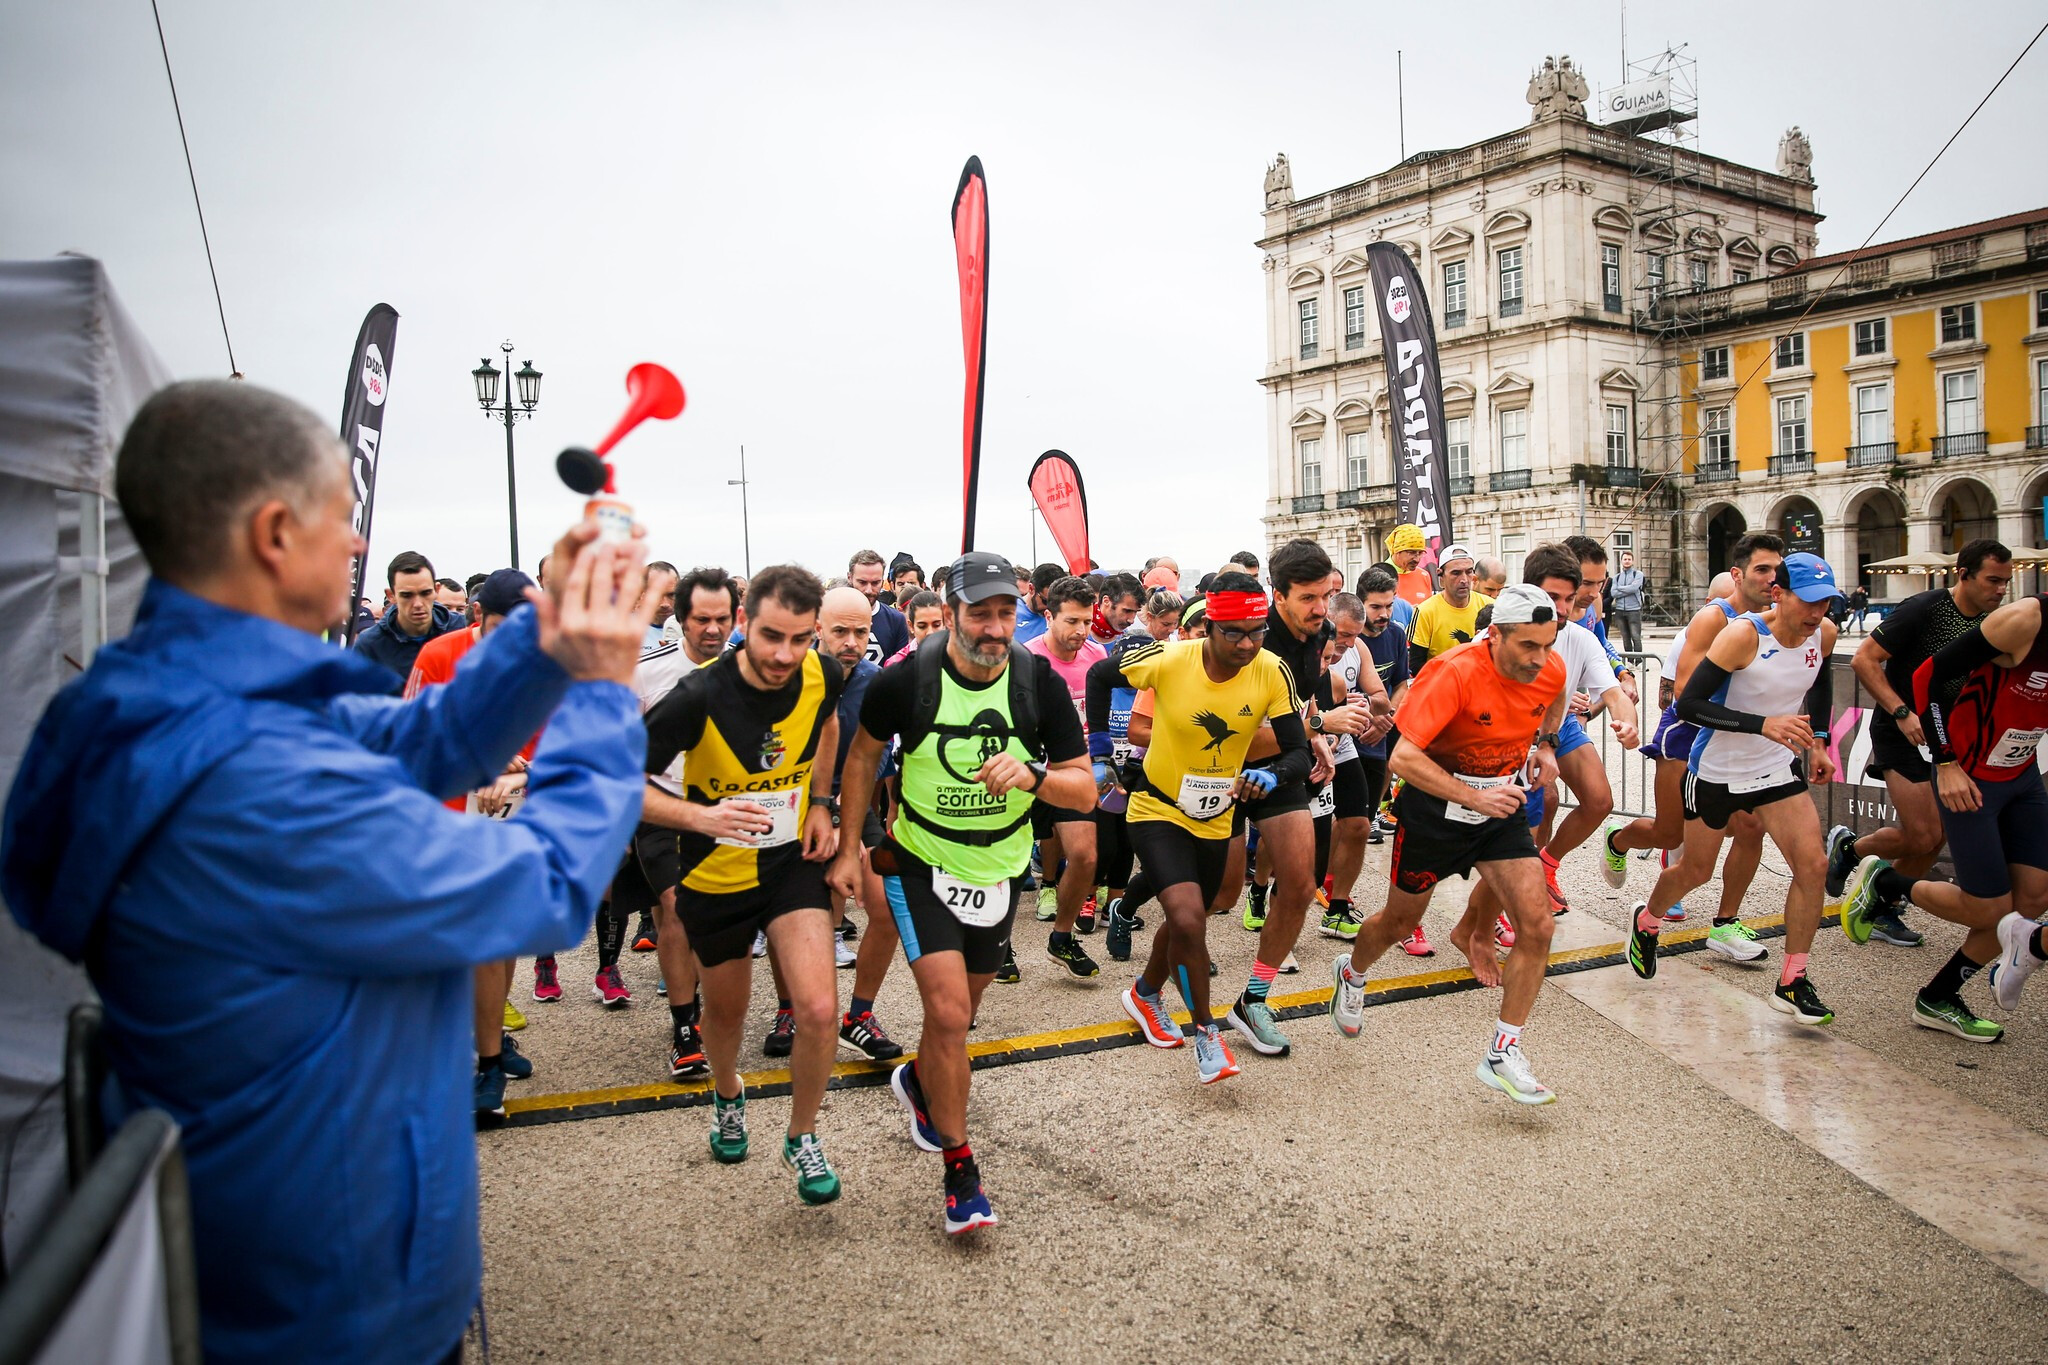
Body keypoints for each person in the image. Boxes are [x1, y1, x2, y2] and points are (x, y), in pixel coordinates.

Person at [2, 379, 653, 1363]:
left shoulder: (177, 701)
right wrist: (603, 697)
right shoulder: (252, 777)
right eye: (343, 522)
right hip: (332, 1303)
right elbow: (545, 884)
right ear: (273, 533)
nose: (358, 546)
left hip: (269, 1241)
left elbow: (436, 740)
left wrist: (550, 626)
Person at [828, 551, 1094, 1235]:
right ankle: (960, 1170)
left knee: (962, 1015)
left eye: (1006, 612)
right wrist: (848, 843)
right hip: (918, 861)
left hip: (999, 870)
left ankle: (920, 1082)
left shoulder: (1037, 683)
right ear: (949, 615)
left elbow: (1084, 788)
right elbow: (862, 755)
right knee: (947, 1015)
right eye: (980, 612)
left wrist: (1033, 773)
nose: (996, 627)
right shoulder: (908, 678)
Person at [640, 565, 847, 1205]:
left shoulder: (824, 673)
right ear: (742, 625)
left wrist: (822, 801)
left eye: (800, 639)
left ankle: (802, 1134)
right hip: (715, 873)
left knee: (817, 1010)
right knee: (724, 1013)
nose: (785, 655)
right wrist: (700, 816)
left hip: (790, 865)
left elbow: (827, 724)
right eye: (769, 637)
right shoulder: (696, 695)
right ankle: (728, 1094)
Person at [1330, 584, 1569, 1104]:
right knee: (1399, 924)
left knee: (1538, 924)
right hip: (1434, 810)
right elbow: (1403, 760)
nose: (1541, 659)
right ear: (1496, 635)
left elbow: (1556, 703)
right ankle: (1352, 972)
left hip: (1497, 810)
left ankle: (1503, 1051)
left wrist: (1546, 745)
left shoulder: (1548, 670)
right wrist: (1470, 797)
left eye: (1549, 645)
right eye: (1528, 646)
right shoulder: (1454, 671)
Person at [1086, 573, 1311, 1083]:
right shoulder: (1167, 660)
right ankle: (1207, 1035)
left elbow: (1297, 752)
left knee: (1196, 916)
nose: (1248, 643)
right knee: (1187, 918)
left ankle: (1145, 994)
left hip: (1215, 814)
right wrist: (1100, 753)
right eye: (1235, 632)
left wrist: (1271, 775)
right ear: (1208, 627)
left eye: (1257, 631)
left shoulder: (1272, 671)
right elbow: (1100, 679)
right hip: (1157, 808)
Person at [1628, 553, 1842, 1025]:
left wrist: (1821, 741)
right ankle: (1648, 920)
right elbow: (1690, 705)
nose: (1816, 613)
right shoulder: (1744, 635)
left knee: (1813, 865)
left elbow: (1819, 680)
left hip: (1776, 770)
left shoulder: (1823, 634)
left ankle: (1792, 980)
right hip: (1717, 770)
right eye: (1808, 601)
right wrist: (1761, 724)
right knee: (1695, 870)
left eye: (1825, 603)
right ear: (1778, 593)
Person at [1832, 591, 2048, 1037]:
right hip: (1968, 773)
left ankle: (1939, 996)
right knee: (1988, 910)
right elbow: (1928, 675)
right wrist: (1944, 761)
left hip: (2021, 775)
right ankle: (1885, 880)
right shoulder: (2025, 619)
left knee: (2030, 902)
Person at [404, 568, 548, 1120]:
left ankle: (491, 1034)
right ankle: (486, 1064)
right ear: (477, 618)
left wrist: (524, 768)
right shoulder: (439, 659)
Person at [1450, 546, 1636, 964]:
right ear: (1530, 591)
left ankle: (1545, 868)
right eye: (1555, 598)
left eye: (1572, 598)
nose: (1565, 608)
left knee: (1599, 801)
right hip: (1508, 735)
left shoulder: (1581, 638)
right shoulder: (1497, 635)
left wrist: (1627, 721)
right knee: (1516, 849)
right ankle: (1475, 927)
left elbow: (1611, 692)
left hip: (1555, 727)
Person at [1824, 539, 2012, 947]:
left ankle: (1881, 902)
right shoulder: (1925, 608)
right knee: (1924, 834)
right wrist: (1901, 711)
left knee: (1935, 836)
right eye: (1993, 580)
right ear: (1963, 574)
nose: (2001, 590)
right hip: (1902, 730)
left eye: (2006, 583)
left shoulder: (1994, 622)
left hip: (1951, 737)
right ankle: (1851, 850)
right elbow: (1864, 659)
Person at [1601, 538, 1776, 956]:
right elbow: (1681, 693)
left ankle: (1726, 924)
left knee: (1752, 828)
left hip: (1738, 740)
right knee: (1670, 832)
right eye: (1762, 571)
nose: (1772, 581)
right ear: (1737, 577)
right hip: (1688, 736)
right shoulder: (1711, 620)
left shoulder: (1777, 621)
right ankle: (1618, 840)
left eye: (1777, 572)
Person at [1228, 539, 1360, 1058]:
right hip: (1224, 765)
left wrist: (1317, 739)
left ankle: (1252, 1000)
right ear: (1276, 595)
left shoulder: (1319, 632)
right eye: (1307, 598)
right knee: (1214, 898)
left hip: (1279, 768)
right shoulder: (1250, 642)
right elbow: (1240, 734)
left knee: (1302, 884)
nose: (1320, 609)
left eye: (1325, 595)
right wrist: (1320, 724)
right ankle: (1147, 981)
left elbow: (1299, 698)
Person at [815, 584, 906, 1060]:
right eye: (839, 631)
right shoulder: (794, 676)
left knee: (887, 907)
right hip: (796, 810)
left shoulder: (877, 680)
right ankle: (789, 1011)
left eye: (860, 631)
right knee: (803, 918)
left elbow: (881, 760)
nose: (851, 641)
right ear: (817, 629)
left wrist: (879, 816)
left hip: (854, 806)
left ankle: (859, 1015)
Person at [1026, 575, 1108, 975]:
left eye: (1087, 622)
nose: (1081, 631)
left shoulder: (1096, 656)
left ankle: (1062, 937)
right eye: (1072, 621)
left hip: (1076, 773)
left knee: (1086, 856)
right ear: (1048, 616)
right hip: (1030, 775)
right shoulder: (1025, 660)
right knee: (1007, 869)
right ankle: (1000, 947)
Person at [1317, 589, 1400, 940]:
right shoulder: (1309, 650)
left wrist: (1361, 702)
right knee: (1302, 839)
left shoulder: (1358, 650)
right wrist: (1326, 719)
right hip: (1307, 742)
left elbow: (1382, 699)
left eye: (1355, 635)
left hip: (1344, 746)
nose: (1349, 643)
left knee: (1358, 825)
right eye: (1345, 634)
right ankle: (1261, 893)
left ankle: (1337, 909)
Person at [352, 549, 469, 679]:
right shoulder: (370, 645)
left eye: (425, 593)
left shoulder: (463, 628)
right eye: (407, 595)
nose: (418, 604)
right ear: (391, 595)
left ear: (436, 590)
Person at [1406, 543, 1491, 675]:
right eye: (1456, 573)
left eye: (1469, 572)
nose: (1464, 580)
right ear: (1441, 577)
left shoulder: (1490, 606)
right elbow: (1416, 665)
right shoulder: (1425, 612)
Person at [848, 548, 910, 663]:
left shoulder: (895, 620)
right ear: (850, 578)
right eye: (862, 582)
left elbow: (901, 669)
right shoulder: (835, 616)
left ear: (883, 581)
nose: (868, 590)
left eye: (875, 583)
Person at [1386, 525, 1434, 609]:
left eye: (1420, 553)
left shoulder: (1424, 575)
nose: (1417, 559)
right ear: (1397, 551)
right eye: (1411, 552)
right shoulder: (1379, 574)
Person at [1610, 550, 1646, 653]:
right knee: (1625, 638)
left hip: (1634, 610)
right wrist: (1628, 589)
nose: (1627, 561)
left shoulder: (1638, 574)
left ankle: (1638, 661)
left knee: (1636, 637)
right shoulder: (1616, 577)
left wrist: (1620, 588)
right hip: (1620, 610)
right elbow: (1613, 593)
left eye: (1629, 559)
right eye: (1625, 559)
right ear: (1621, 561)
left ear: (1633, 561)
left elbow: (1634, 588)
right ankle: (1630, 661)